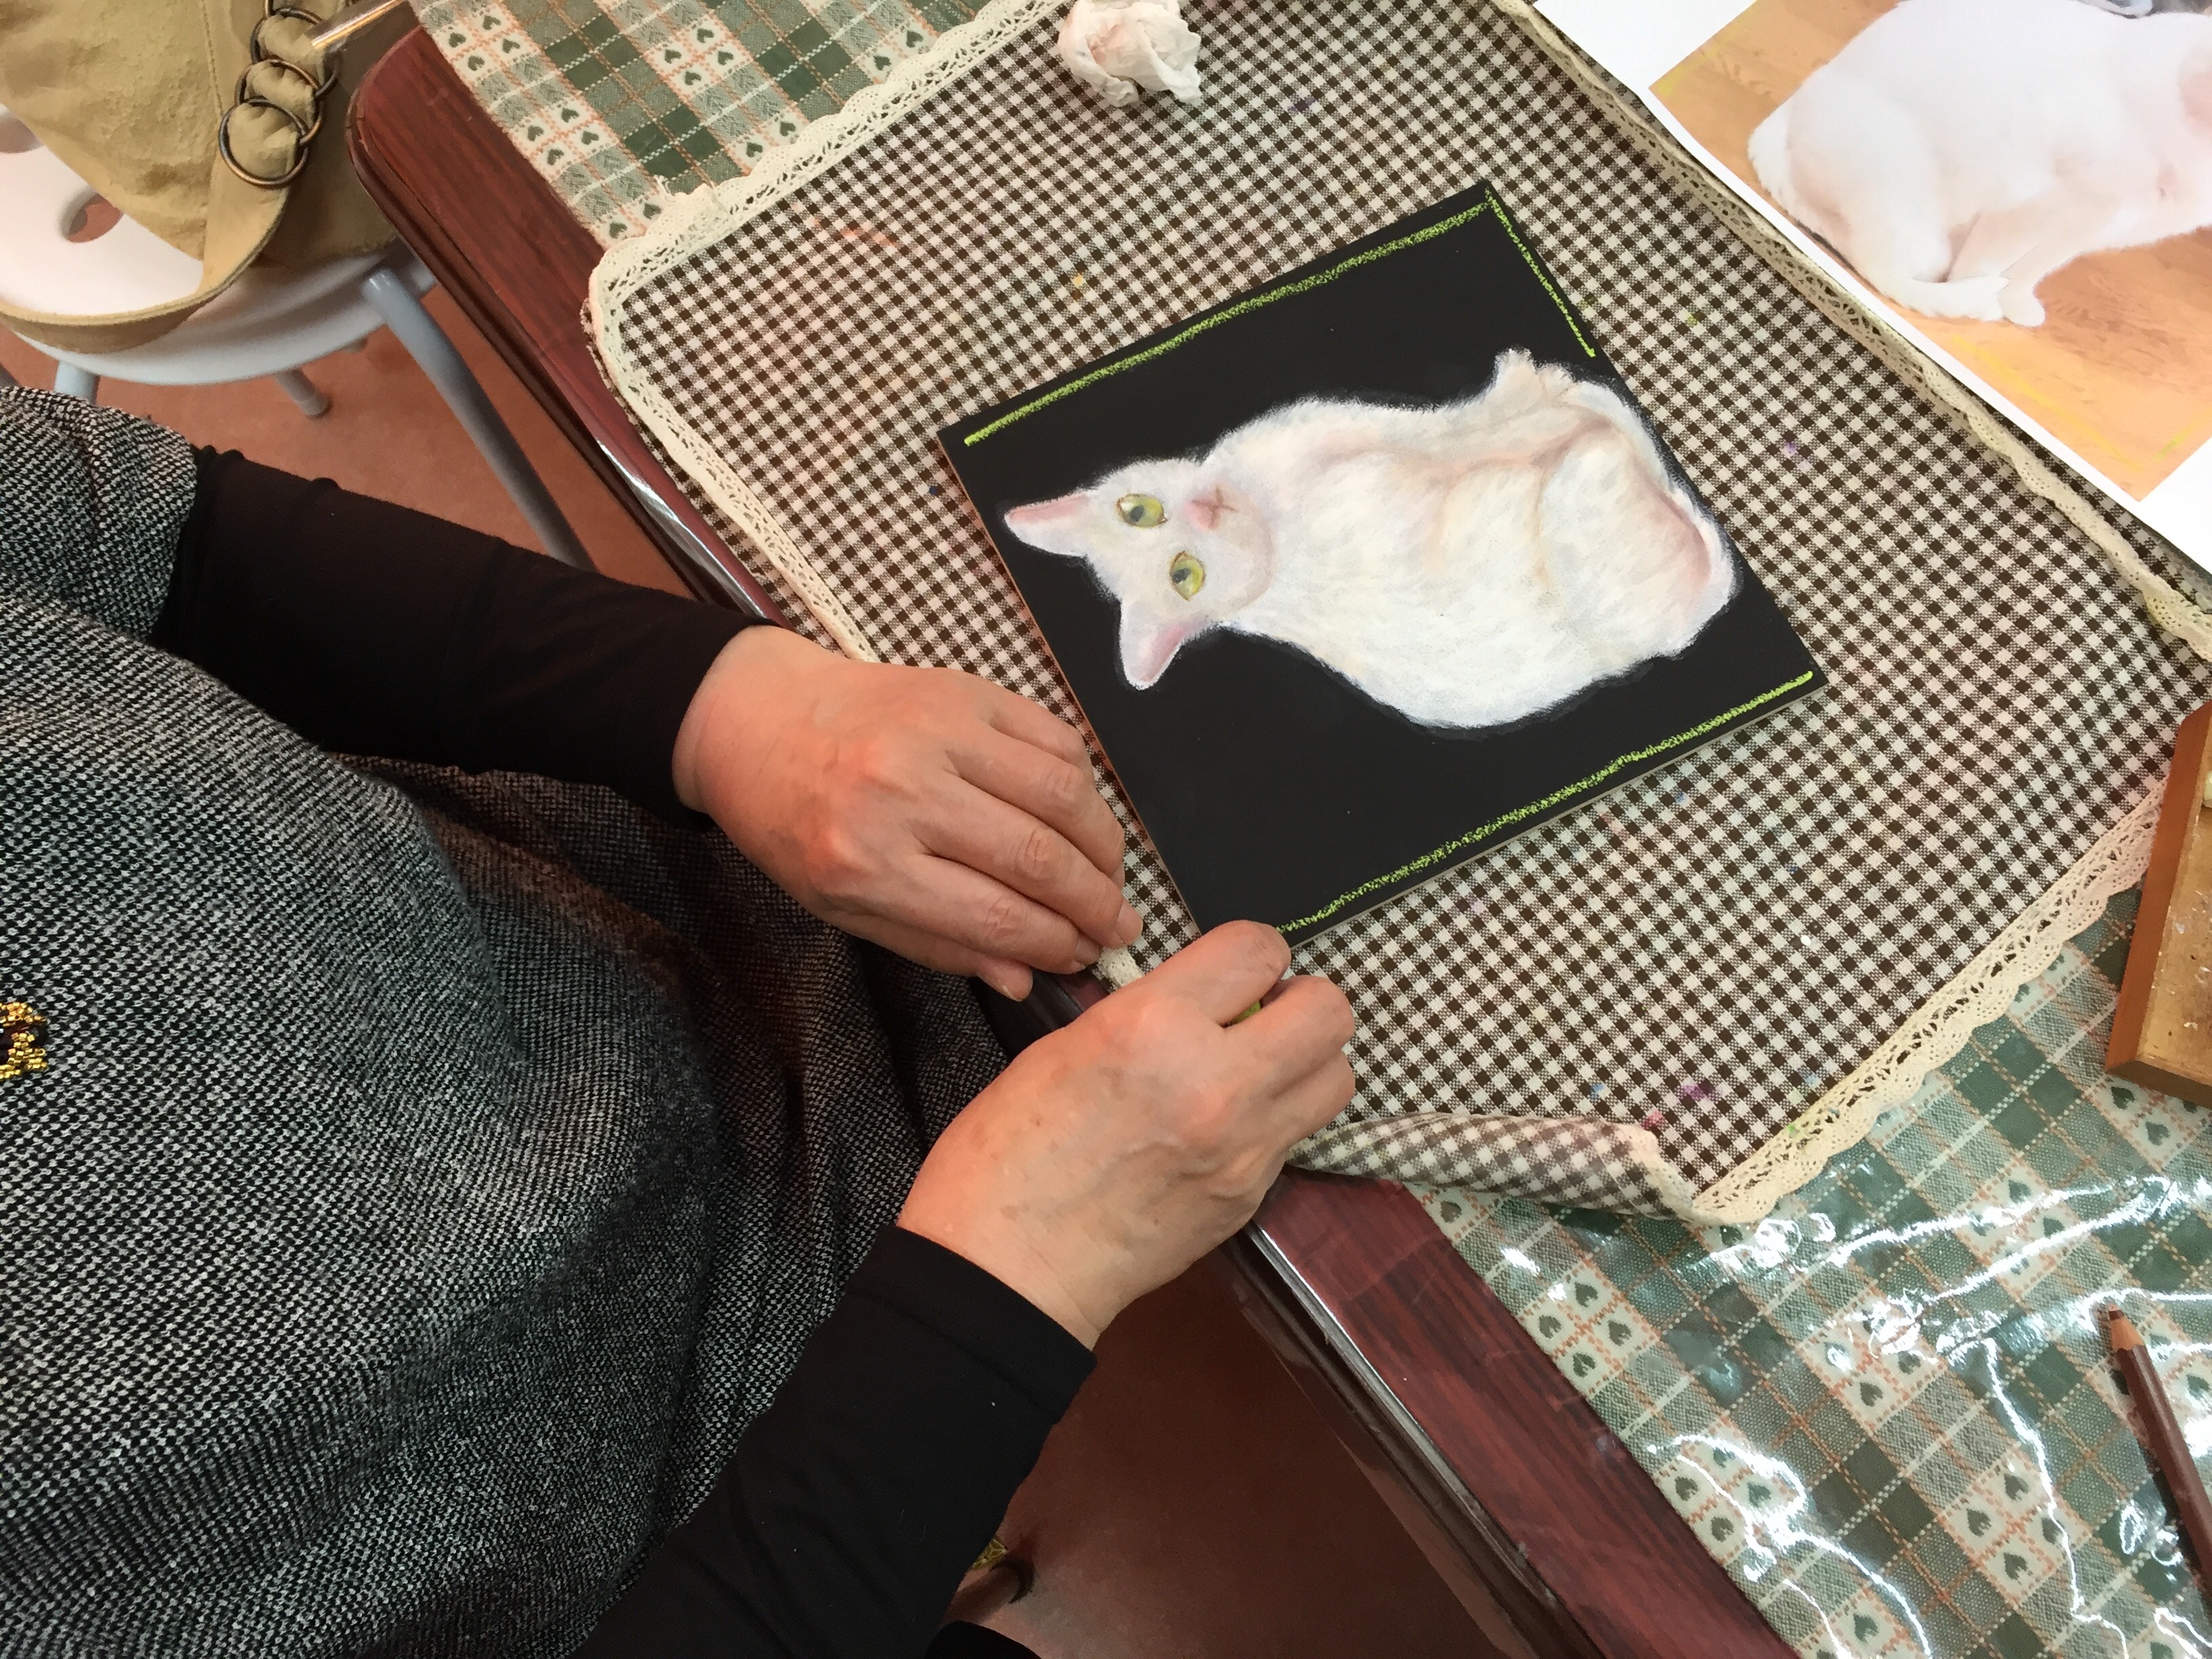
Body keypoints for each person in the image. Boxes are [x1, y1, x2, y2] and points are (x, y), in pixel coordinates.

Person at [0, 386, 1355, 1658]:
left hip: (658, 928)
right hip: (708, 1534)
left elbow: (170, 539)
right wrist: (1010, 1274)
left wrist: (720, 710)